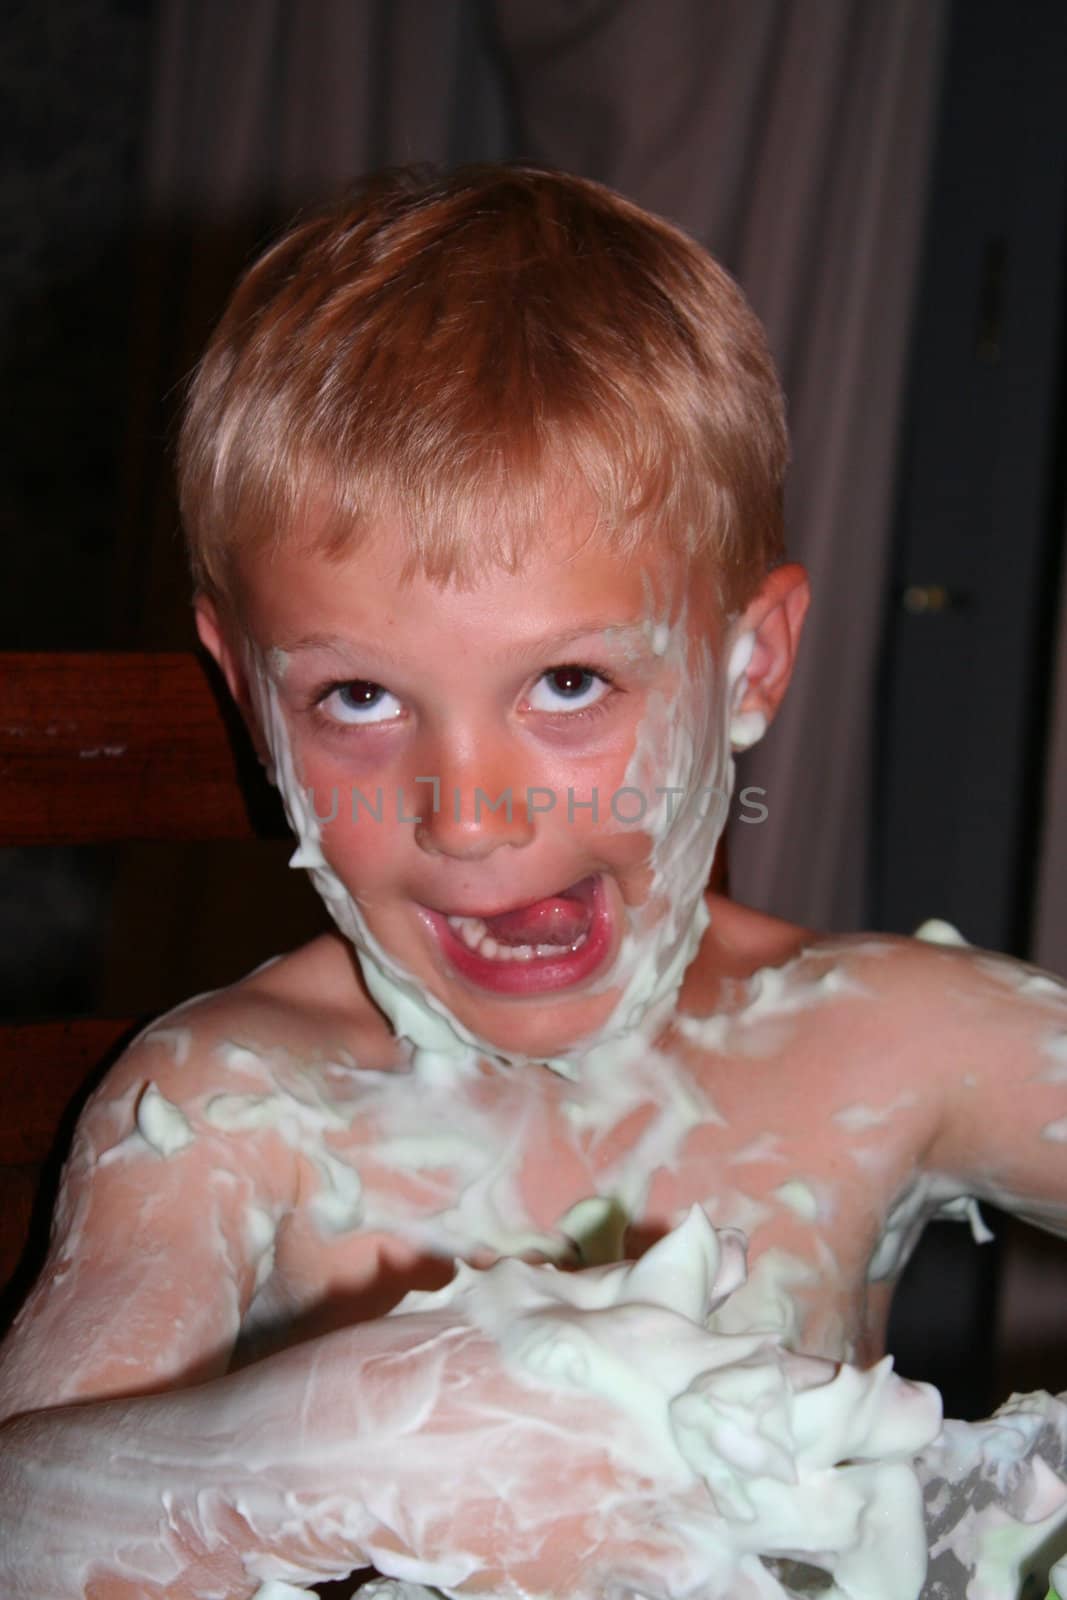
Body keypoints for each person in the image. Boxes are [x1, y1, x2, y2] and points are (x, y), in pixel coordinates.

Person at [1, 163, 1065, 1599]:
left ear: (747, 664)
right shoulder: (226, 1110)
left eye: (568, 683)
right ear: (252, 705)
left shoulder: (882, 1044)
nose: (471, 815)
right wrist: (322, 1453)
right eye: (360, 701)